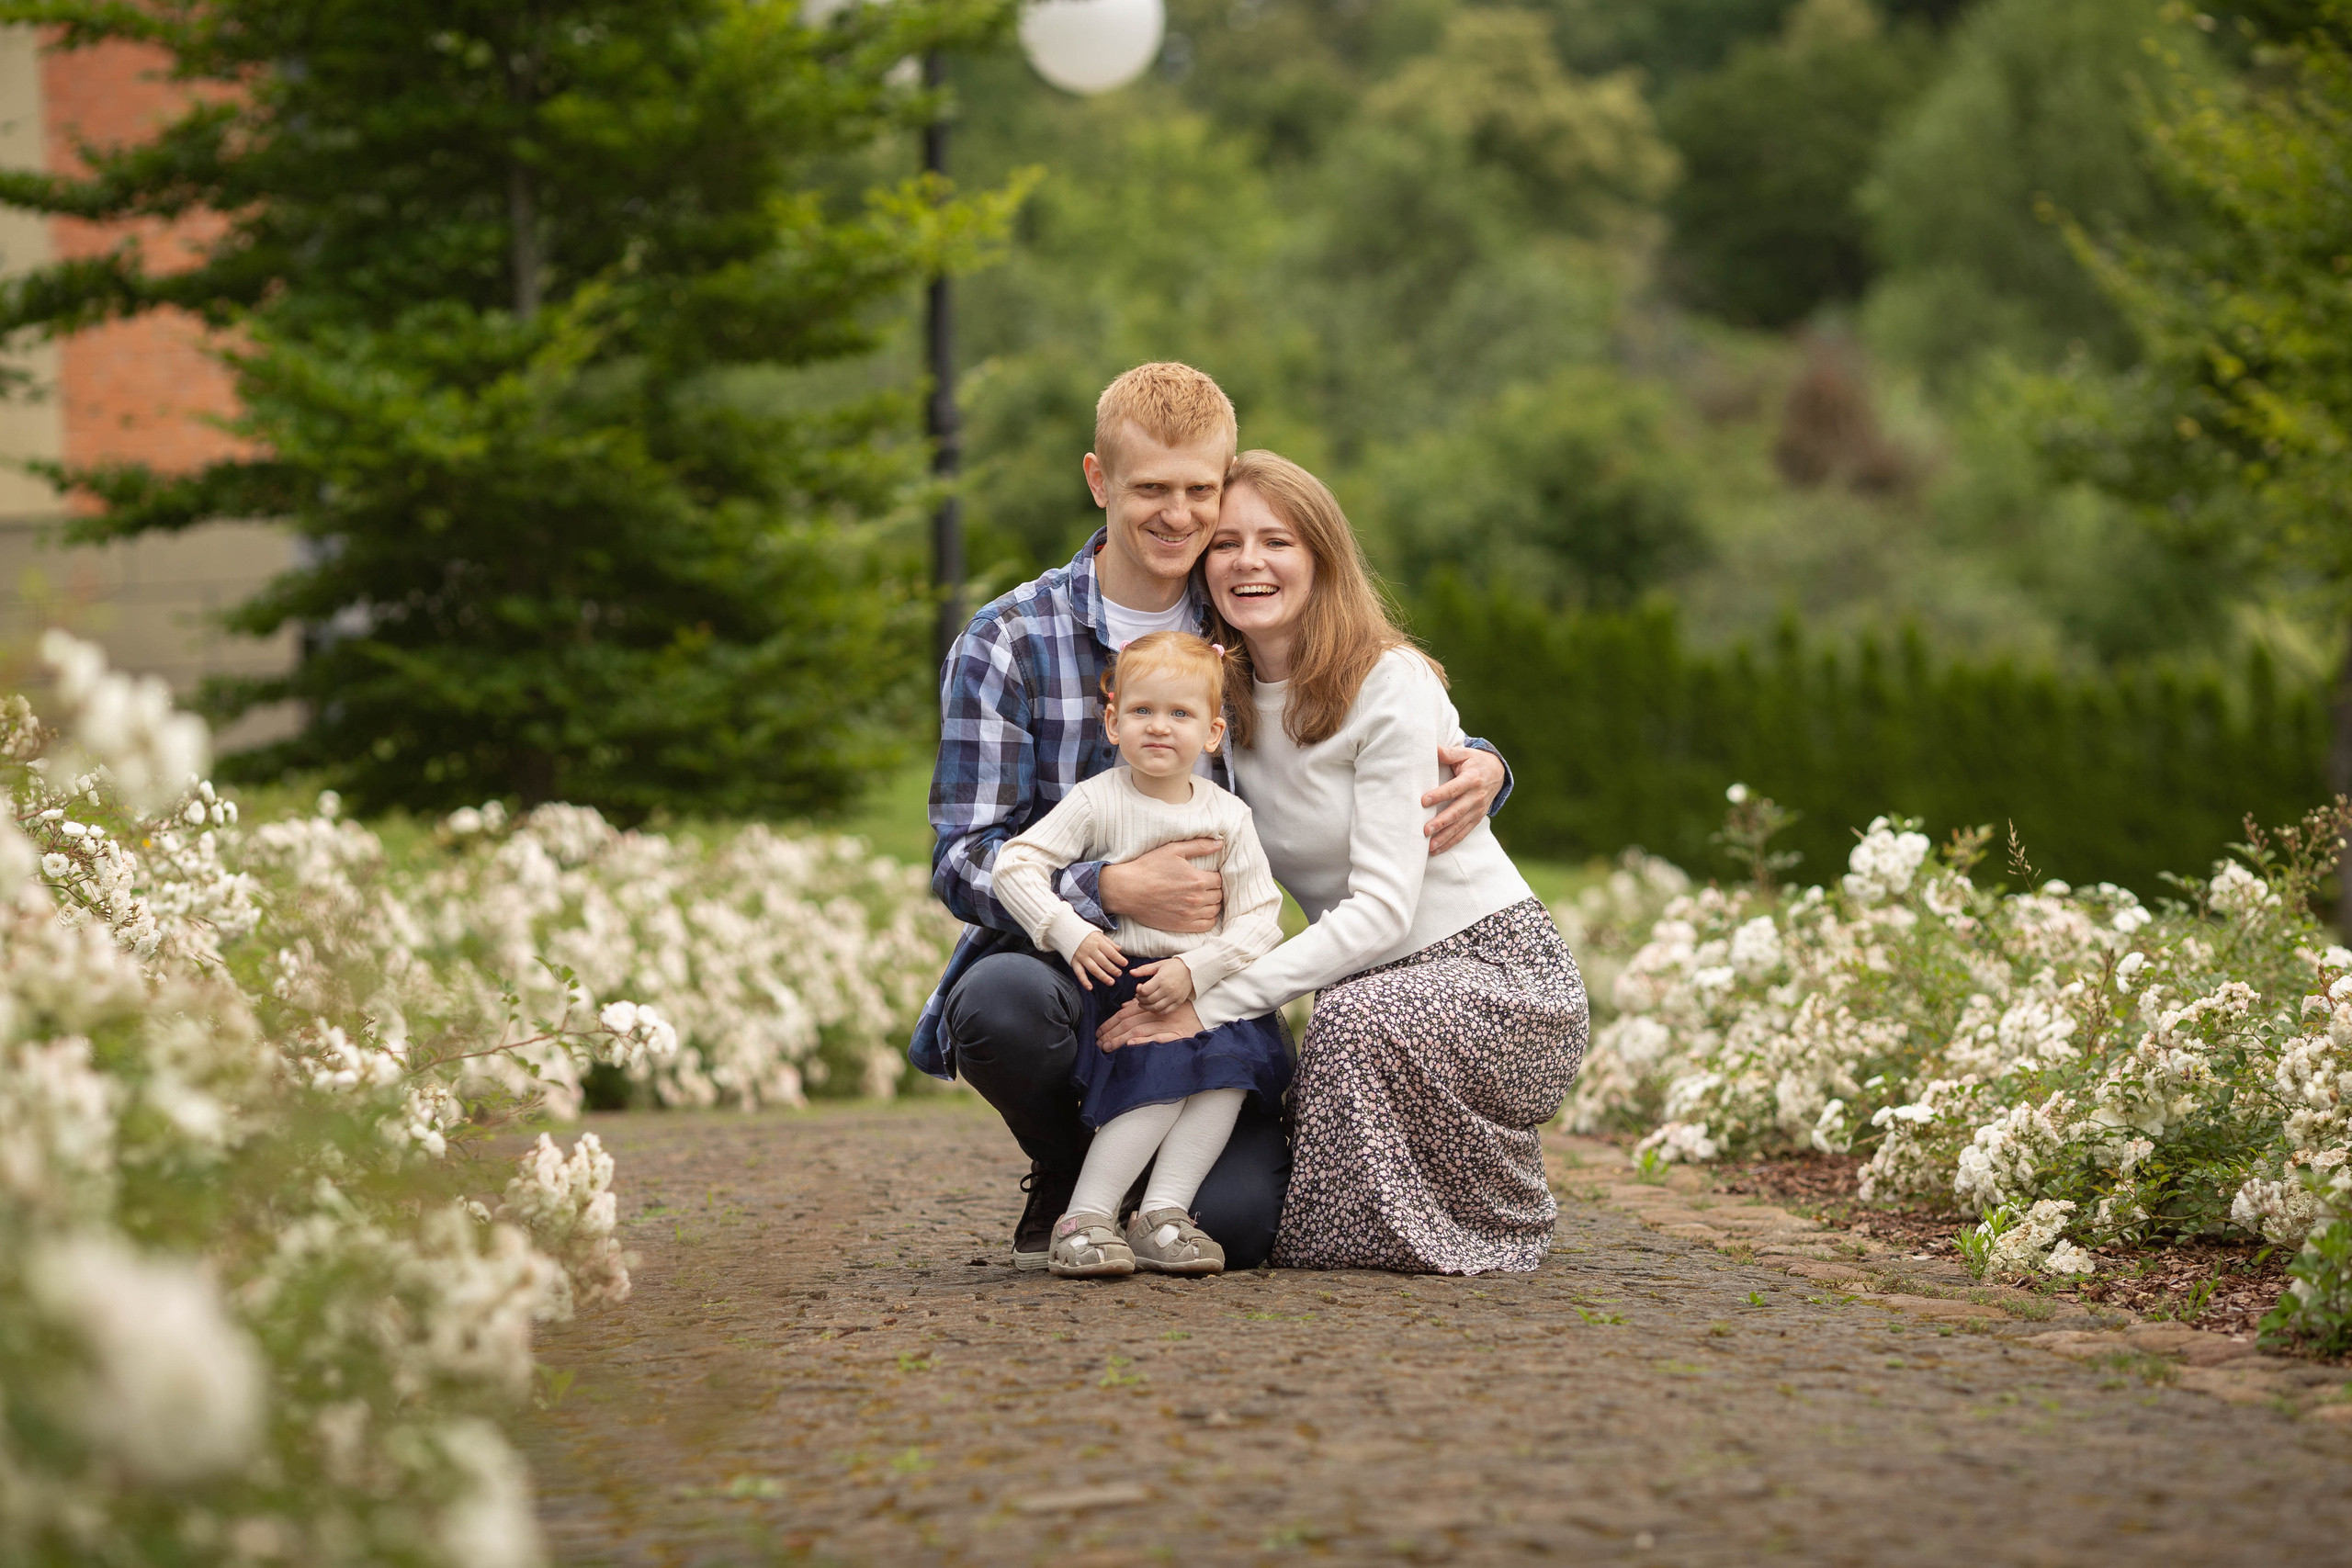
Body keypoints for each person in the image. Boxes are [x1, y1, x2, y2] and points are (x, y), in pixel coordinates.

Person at [910, 362, 1514, 1271]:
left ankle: (1156, 1191)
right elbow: (961, 858)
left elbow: (1386, 704)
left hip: (1209, 975)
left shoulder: (1245, 617)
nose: (1178, 515)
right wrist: (1104, 885)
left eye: (1199, 490)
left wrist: (1489, 764)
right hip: (1065, 970)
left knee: (1239, 1228)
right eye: (1149, 488)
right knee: (997, 1008)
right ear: (1098, 480)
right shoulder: (1009, 641)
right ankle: (1077, 1179)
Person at [1098, 451, 1589, 1275]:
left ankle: (1481, 1224)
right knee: (1257, 1202)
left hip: (1499, 972)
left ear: (1322, 558)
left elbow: (1386, 909)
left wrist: (1209, 1004)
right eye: (1226, 543)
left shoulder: (1385, 681)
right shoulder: (1220, 700)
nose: (1249, 562)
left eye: (1277, 541)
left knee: (1348, 1022)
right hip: (1368, 980)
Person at [992, 632, 1289, 1278]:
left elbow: (1262, 919)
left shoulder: (1229, 816)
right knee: (1157, 1084)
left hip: (1203, 987)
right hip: (1125, 982)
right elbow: (1013, 866)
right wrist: (1069, 930)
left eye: (1180, 714)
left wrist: (1197, 969)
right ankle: (1085, 1216)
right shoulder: (1100, 800)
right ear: (1113, 721)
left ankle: (1162, 1213)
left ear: (1212, 733)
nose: (1159, 727)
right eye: (1142, 711)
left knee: (1227, 1080)